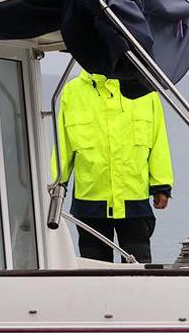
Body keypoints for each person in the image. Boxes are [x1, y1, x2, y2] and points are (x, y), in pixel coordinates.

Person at [53, 71, 173, 263]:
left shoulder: (145, 90)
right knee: (96, 276)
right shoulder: (72, 92)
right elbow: (62, 145)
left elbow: (159, 140)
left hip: (134, 201)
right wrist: (56, 185)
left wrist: (161, 185)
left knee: (139, 273)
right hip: (90, 205)